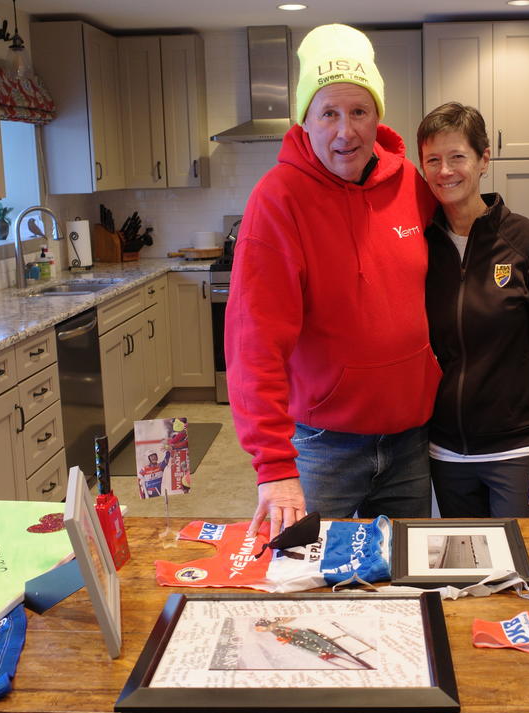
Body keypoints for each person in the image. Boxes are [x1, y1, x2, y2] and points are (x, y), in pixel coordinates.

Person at [226, 24, 439, 538]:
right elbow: (253, 341)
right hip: (323, 448)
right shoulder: (278, 199)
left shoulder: (410, 183)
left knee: (403, 581)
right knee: (316, 583)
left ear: (377, 116)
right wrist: (274, 467)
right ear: (306, 122)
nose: (346, 131)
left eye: (359, 111)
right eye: (329, 113)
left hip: (410, 441)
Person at [418, 102, 529, 518]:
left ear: (484, 159)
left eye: (457, 157)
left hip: (520, 449)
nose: (445, 171)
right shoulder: (418, 247)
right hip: (446, 452)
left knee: (522, 572)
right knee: (465, 572)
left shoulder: (527, 242)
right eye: (433, 160)